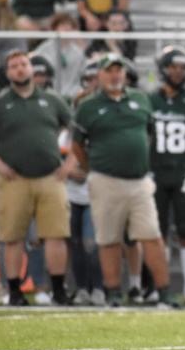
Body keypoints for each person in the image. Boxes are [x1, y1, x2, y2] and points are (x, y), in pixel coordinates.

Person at [71, 54, 178, 309]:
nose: (115, 75)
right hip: (105, 179)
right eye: (109, 71)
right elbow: (77, 146)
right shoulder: (87, 106)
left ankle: (164, 293)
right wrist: (92, 168)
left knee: (152, 236)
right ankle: (113, 293)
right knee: (109, 239)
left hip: (139, 180)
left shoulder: (140, 99)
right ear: (99, 75)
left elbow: (148, 134)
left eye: (119, 70)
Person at [0, 50, 75, 306]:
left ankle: (58, 290)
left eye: (23, 64)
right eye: (14, 66)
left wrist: (69, 164)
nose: (19, 69)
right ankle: (14, 290)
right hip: (13, 179)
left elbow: (74, 131)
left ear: (32, 69)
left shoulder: (51, 100)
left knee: (56, 235)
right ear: (7, 74)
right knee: (12, 236)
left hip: (51, 177)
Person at [149, 46, 185, 305]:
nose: (178, 72)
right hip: (157, 174)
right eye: (173, 67)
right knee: (156, 233)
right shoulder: (150, 99)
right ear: (163, 69)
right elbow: (145, 139)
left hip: (183, 175)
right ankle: (158, 287)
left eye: (182, 67)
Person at [66, 58, 103, 305]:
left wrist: (88, 168)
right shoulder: (69, 128)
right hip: (70, 191)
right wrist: (67, 168)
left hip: (94, 189)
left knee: (92, 242)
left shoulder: (103, 121)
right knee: (76, 243)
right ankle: (81, 288)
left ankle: (99, 288)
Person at [30, 13, 87, 100]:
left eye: (70, 26)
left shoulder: (78, 52)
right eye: (63, 25)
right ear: (55, 28)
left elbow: (82, 75)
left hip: (73, 93)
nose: (67, 29)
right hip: (49, 93)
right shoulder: (44, 49)